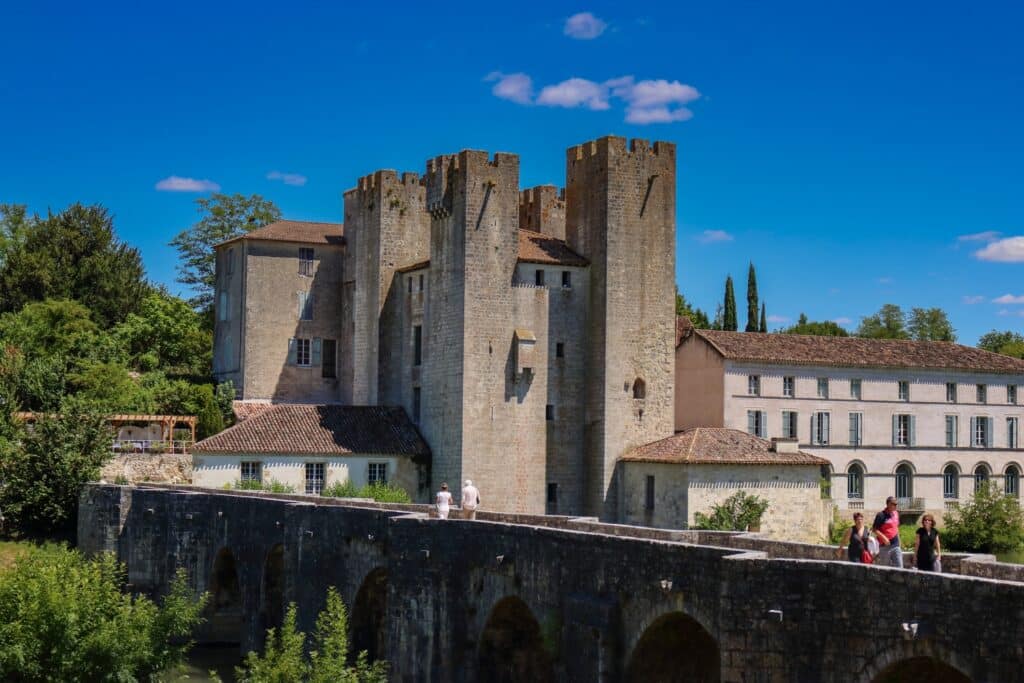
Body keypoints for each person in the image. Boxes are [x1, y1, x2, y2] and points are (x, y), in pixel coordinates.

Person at [872, 496, 904, 568]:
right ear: (888, 504)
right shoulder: (881, 515)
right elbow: (874, 529)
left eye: (896, 504)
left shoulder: (896, 513)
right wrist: (884, 538)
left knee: (900, 568)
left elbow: (896, 528)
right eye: (894, 504)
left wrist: (899, 542)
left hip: (896, 545)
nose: (896, 506)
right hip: (885, 547)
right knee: (885, 569)